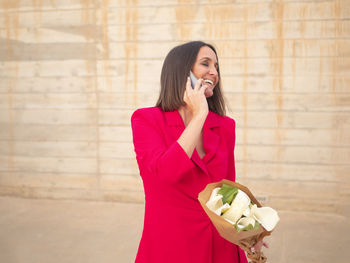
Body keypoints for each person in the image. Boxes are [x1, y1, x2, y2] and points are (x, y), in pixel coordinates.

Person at [131, 41, 265, 263]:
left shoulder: (225, 126)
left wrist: (250, 231)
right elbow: (166, 173)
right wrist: (199, 113)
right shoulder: (146, 120)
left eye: (216, 66)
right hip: (171, 244)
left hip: (221, 246)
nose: (214, 71)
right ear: (181, 71)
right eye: (205, 63)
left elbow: (227, 187)